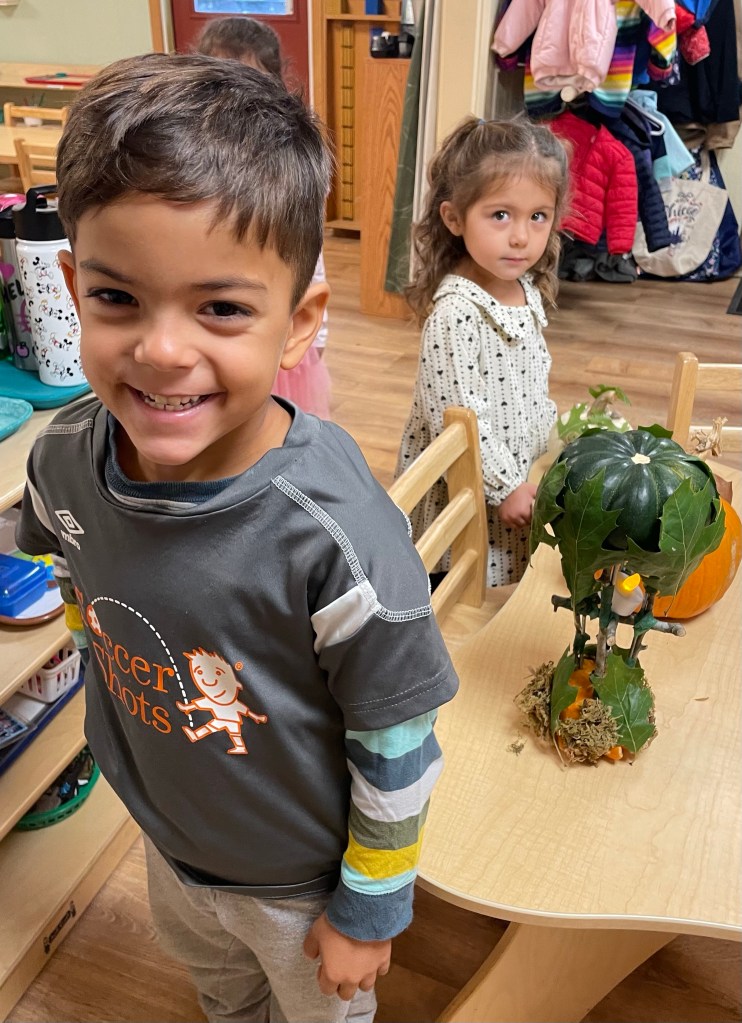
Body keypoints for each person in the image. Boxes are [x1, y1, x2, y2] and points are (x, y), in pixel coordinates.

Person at [15, 54, 458, 1023]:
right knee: (222, 994)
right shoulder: (59, 462)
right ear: (72, 287)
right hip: (169, 840)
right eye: (118, 298)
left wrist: (371, 905)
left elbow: (397, 739)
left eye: (220, 308)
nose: (162, 349)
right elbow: (73, 568)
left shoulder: (336, 536)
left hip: (300, 883)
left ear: (298, 325)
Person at [396, 116, 569, 586]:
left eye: (538, 217)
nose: (521, 237)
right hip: (471, 489)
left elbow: (531, 384)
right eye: (501, 215)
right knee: (463, 590)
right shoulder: (456, 314)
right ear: (454, 218)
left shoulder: (525, 288)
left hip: (520, 474)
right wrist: (504, 485)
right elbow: (455, 421)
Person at [197, 15, 332, 419]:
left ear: (275, 84)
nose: (233, 96)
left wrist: (318, 333)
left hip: (266, 323)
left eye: (248, 81)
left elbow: (310, 254)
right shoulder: (190, 157)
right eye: (218, 80)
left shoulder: (291, 160)